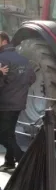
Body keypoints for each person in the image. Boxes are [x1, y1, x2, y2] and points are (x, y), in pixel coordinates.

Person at [0, 31, 36, 171]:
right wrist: (18, 89)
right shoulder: (23, 59)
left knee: (3, 135)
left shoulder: (2, 58)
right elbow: (31, 78)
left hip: (4, 104)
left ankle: (23, 159)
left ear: (4, 41)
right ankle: (9, 162)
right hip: (18, 103)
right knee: (9, 133)